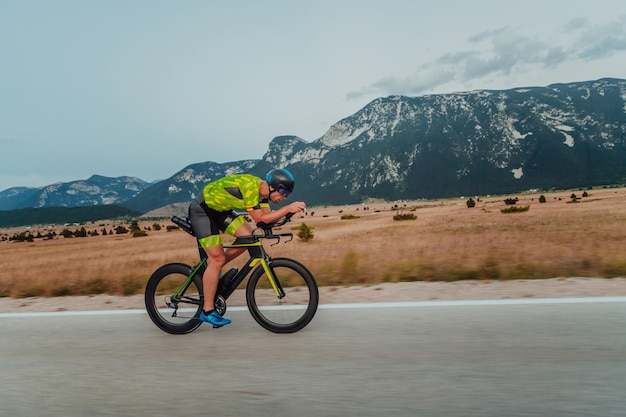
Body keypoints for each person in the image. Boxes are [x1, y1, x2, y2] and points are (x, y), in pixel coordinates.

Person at [188, 168, 306, 327]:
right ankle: (207, 311)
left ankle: (213, 270)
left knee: (248, 238)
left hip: (220, 212)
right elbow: (260, 218)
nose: (284, 197)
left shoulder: (263, 196)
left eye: (288, 194)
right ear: (272, 186)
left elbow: (266, 221)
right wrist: (287, 208)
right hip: (202, 211)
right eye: (283, 191)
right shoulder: (251, 187)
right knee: (217, 258)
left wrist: (287, 215)